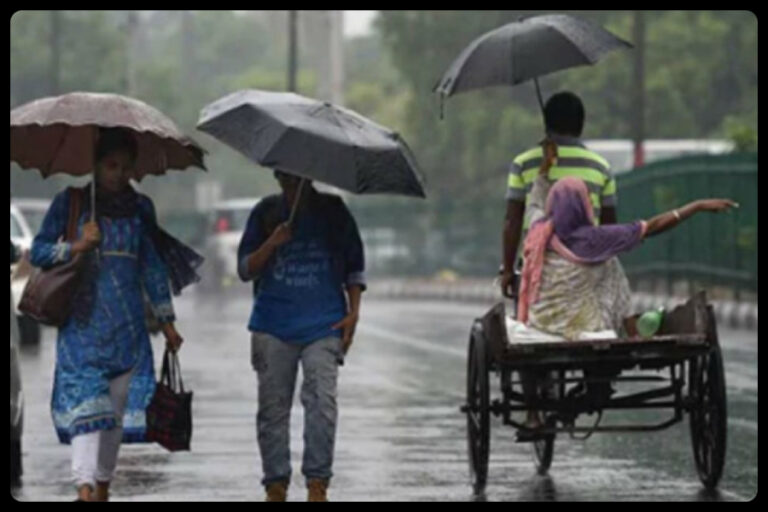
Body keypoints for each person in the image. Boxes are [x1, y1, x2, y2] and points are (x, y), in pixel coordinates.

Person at [516, 138, 737, 430]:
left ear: (552, 207)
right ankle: (623, 333)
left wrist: (545, 170)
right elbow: (653, 226)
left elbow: (533, 201)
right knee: (610, 263)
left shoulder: (537, 230)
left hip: (543, 323)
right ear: (584, 206)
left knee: (603, 265)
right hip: (588, 326)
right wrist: (695, 206)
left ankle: (534, 412)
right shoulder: (598, 239)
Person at [29, 127, 200, 501]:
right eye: (111, 165)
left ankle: (102, 486)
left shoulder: (141, 209)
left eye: (126, 167)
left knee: (114, 419)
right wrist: (77, 246)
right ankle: (84, 486)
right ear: (95, 165)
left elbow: (152, 268)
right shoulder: (71, 203)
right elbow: (38, 252)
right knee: (87, 412)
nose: (119, 174)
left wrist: (168, 323)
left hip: (128, 334)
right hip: (82, 330)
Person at [237, 169, 366, 502]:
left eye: (300, 180)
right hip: (272, 325)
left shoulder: (334, 211)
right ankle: (275, 485)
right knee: (273, 410)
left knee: (322, 402)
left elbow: (354, 266)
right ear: (278, 176)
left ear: (311, 177)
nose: (293, 185)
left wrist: (354, 312)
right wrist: (272, 242)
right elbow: (245, 269)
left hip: (325, 325)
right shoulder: (265, 212)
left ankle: (317, 484)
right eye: (287, 179)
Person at [501, 91, 617, 299]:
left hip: (536, 270)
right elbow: (609, 226)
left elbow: (512, 220)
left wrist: (508, 270)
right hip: (586, 270)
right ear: (581, 125)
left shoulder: (523, 164)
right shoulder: (601, 167)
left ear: (546, 123)